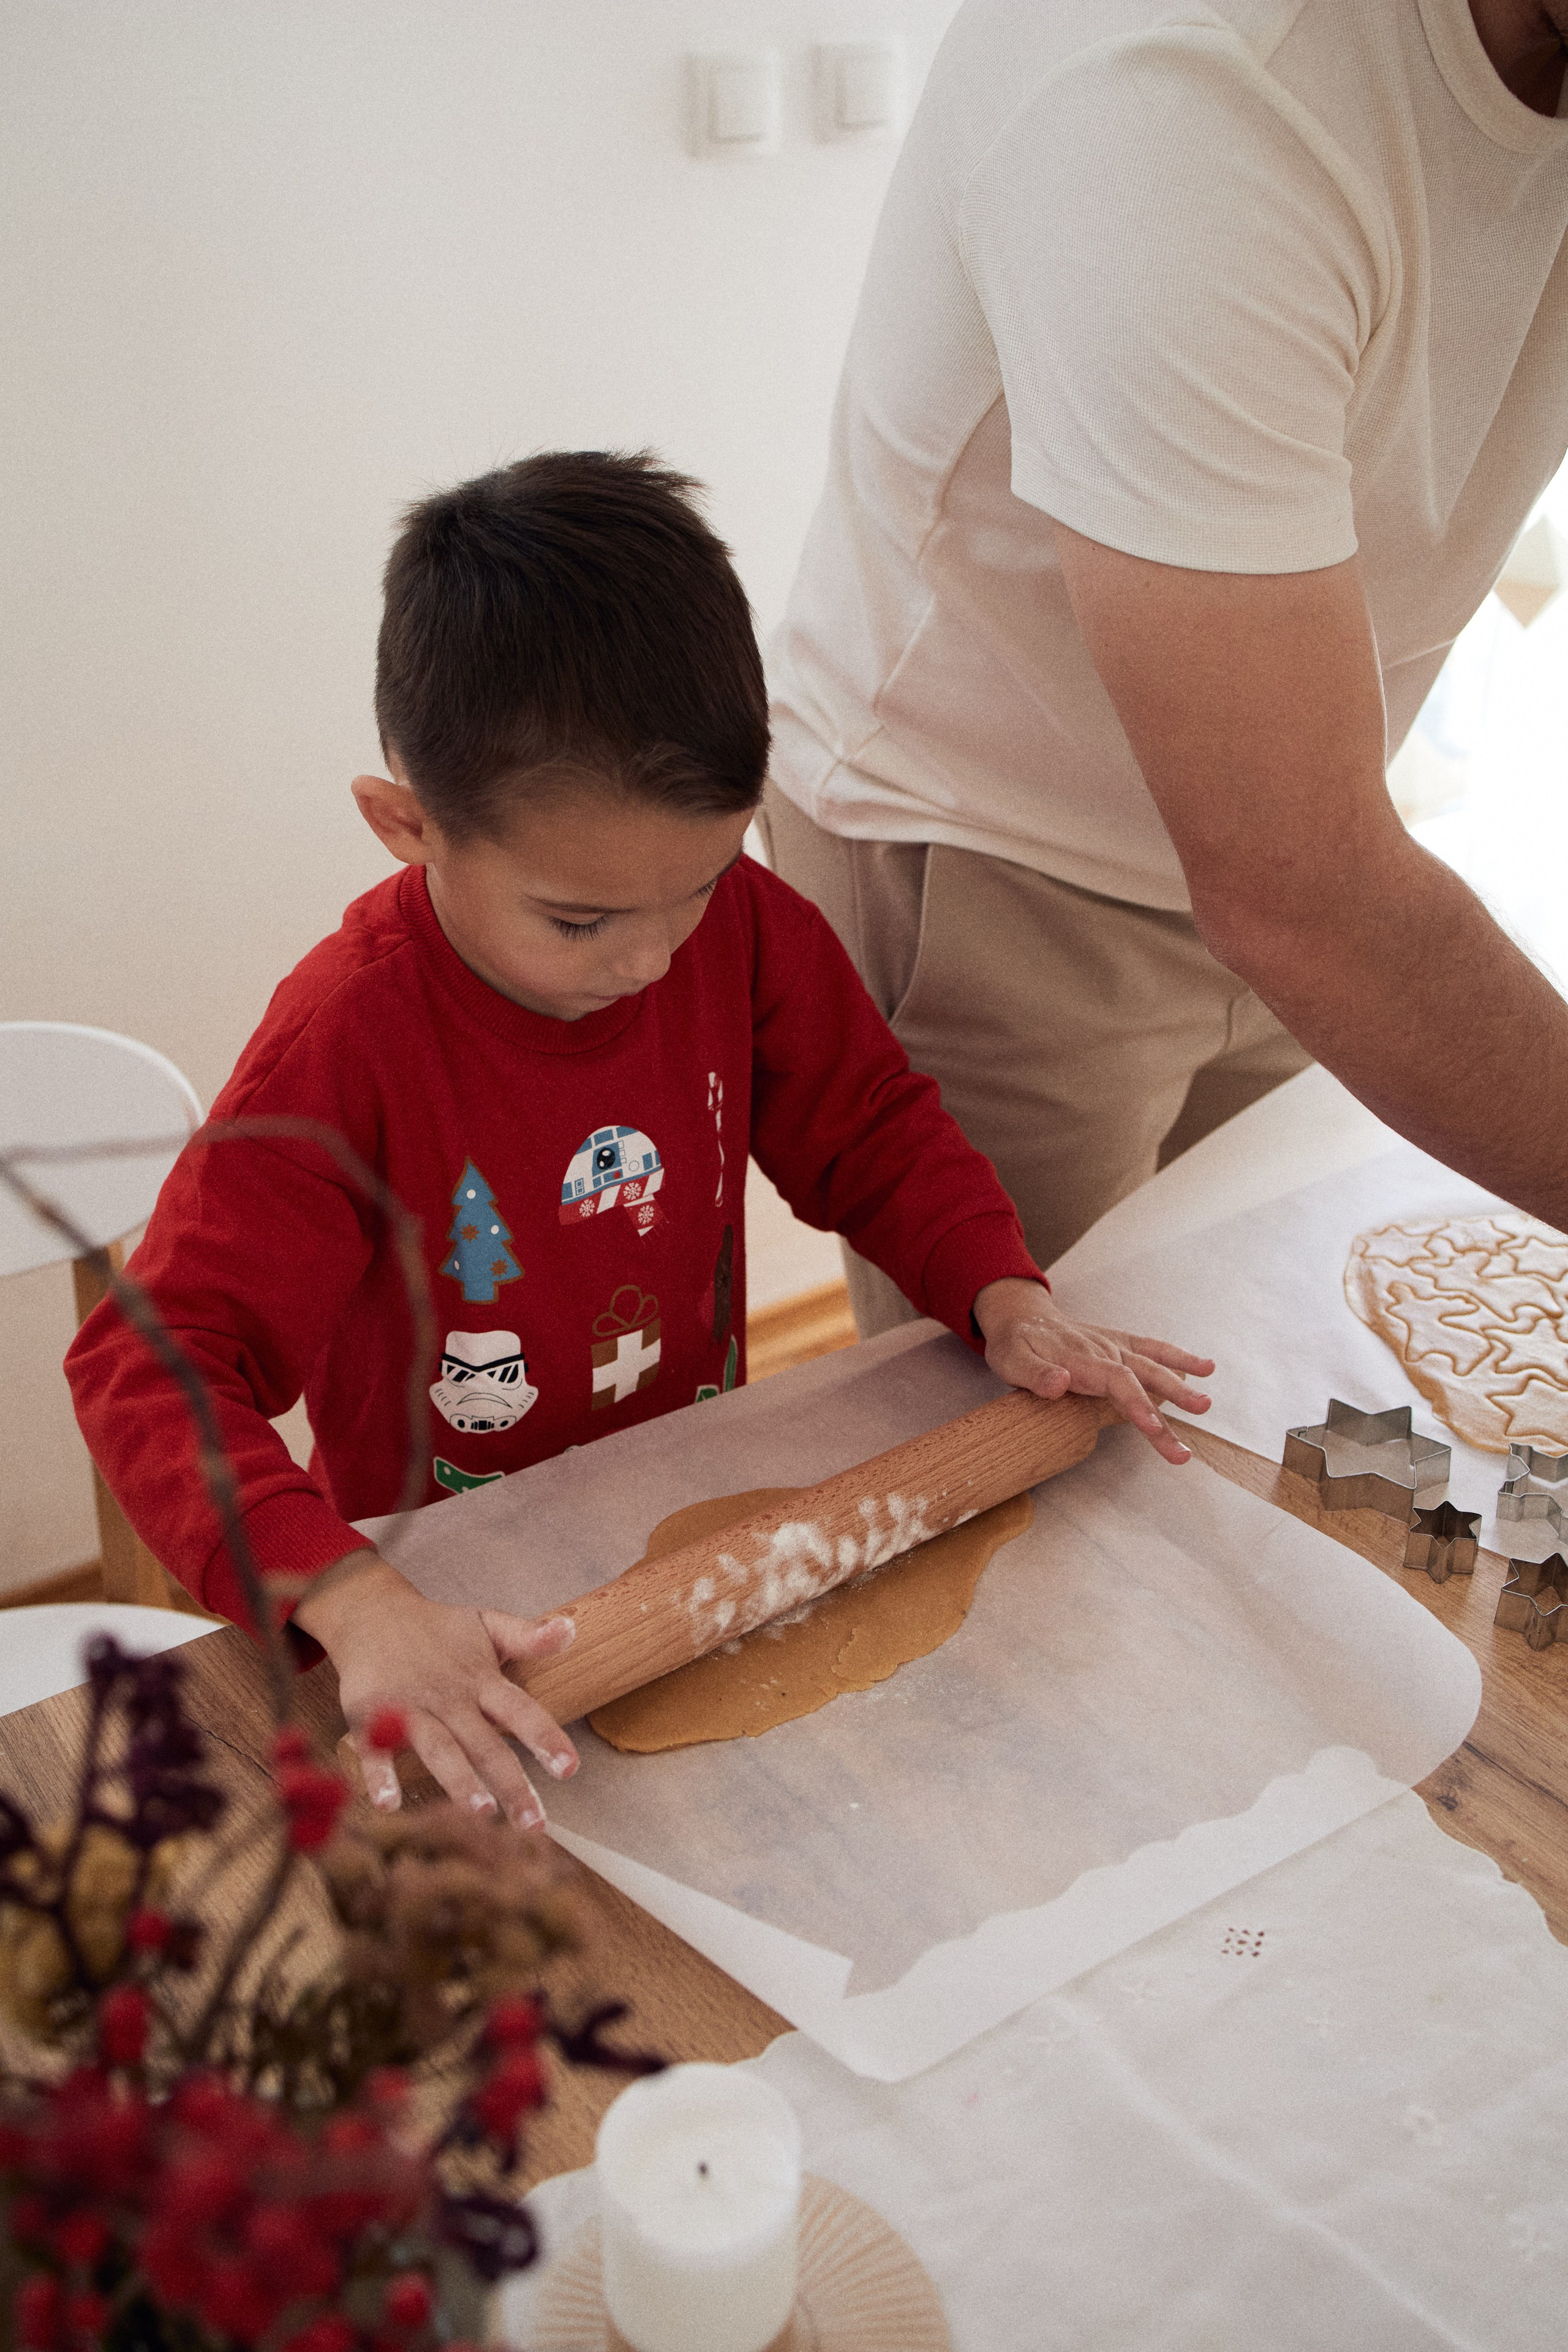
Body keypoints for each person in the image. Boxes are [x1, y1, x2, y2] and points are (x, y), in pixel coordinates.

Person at [66, 453, 1214, 1826]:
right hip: (453, 1574)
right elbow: (151, 1359)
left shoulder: (738, 934)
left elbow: (869, 1127)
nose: (654, 958)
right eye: (579, 920)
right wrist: (352, 1596)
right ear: (406, 826)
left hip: (686, 1501)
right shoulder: (346, 1041)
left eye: (704, 880)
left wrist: (999, 1290)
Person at [763, 0, 1568, 1336]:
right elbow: (1298, 890)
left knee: (1255, 1380)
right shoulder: (1178, 83)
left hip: (1312, 839)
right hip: (991, 858)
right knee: (1037, 1487)